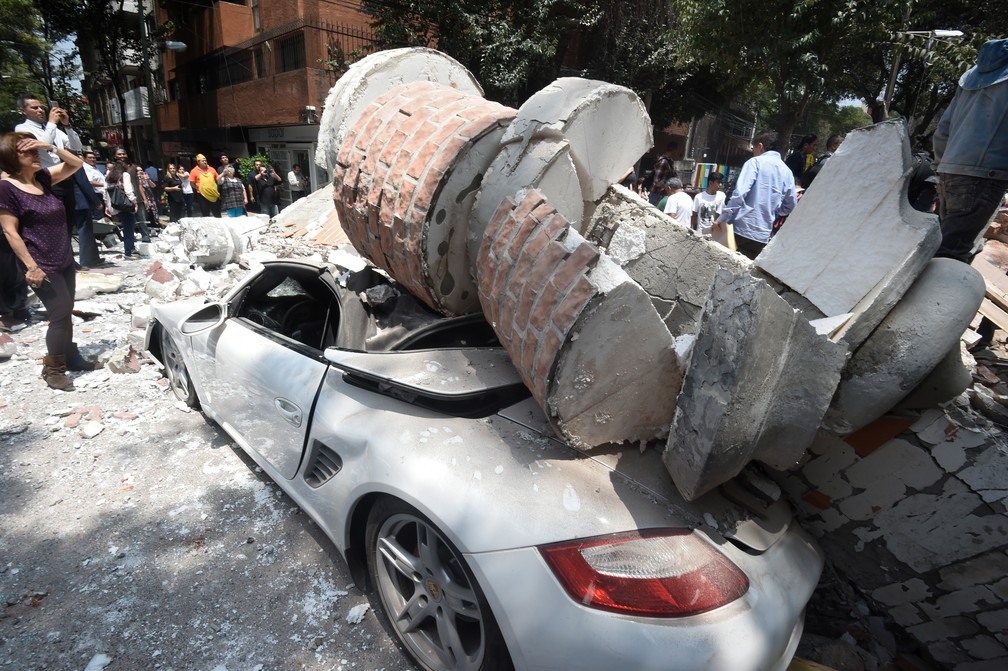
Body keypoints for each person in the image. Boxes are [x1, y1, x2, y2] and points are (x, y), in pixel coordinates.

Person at [0, 131, 98, 389]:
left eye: (36, 151)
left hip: (63, 257)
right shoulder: (6, 187)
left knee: (65, 311)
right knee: (59, 312)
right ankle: (53, 368)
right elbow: (10, 231)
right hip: (40, 264)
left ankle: (71, 356)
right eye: (28, 152)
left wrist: (50, 146)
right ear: (11, 156)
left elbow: (76, 164)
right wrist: (31, 266)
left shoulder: (42, 178)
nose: (36, 155)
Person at [933, 38, 1008, 264]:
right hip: (985, 175)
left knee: (947, 245)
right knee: (951, 254)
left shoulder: (971, 78)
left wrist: (941, 166)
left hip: (950, 170)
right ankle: (935, 299)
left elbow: (943, 129)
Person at [715, 131, 798, 260]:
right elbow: (791, 205)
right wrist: (775, 211)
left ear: (760, 146)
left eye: (753, 148)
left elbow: (739, 195)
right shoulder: (787, 172)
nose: (753, 152)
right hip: (763, 236)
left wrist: (721, 218)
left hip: (740, 230)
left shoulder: (755, 162)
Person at [14, 95, 83, 235]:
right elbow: (42, 147)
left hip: (65, 179)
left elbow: (76, 146)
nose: (40, 110)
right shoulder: (21, 129)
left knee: (68, 222)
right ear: (22, 111)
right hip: (45, 180)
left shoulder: (54, 129)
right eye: (34, 108)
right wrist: (52, 123)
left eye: (41, 107)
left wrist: (67, 125)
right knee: (52, 224)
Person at [103, 160, 139, 258]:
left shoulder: (109, 177)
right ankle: (128, 252)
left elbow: (105, 193)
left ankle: (131, 248)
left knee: (126, 227)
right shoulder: (125, 175)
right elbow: (128, 191)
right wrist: (135, 202)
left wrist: (107, 205)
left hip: (115, 205)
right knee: (129, 229)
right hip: (125, 206)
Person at [70, 164, 104, 268]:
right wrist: (96, 201)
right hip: (79, 202)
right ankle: (86, 260)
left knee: (69, 232)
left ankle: (93, 257)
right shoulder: (72, 163)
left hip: (66, 201)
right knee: (85, 231)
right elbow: (84, 183)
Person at [648, 142, 675, 207]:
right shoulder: (663, 162)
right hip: (656, 193)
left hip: (661, 193)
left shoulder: (669, 162)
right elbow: (657, 181)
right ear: (674, 150)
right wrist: (666, 187)